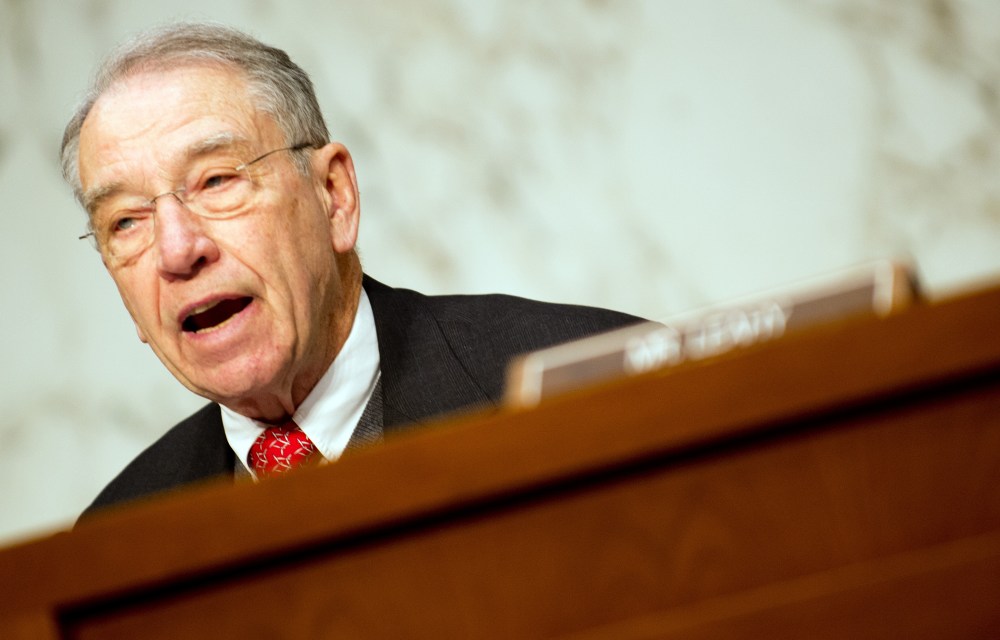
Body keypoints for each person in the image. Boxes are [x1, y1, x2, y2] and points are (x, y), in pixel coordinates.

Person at [62, 22, 641, 519]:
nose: (176, 252)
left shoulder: (598, 391)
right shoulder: (116, 536)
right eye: (125, 222)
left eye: (217, 181)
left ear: (333, 196)